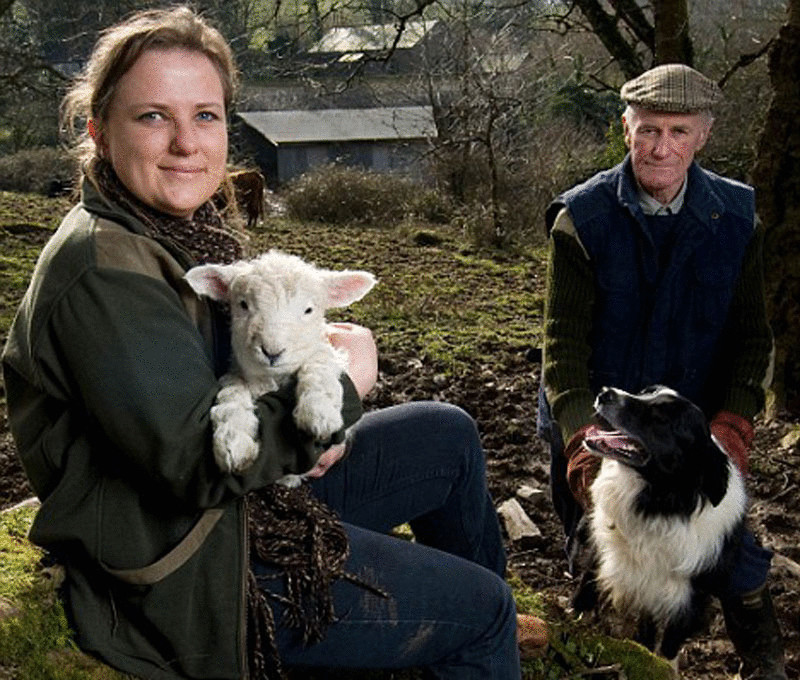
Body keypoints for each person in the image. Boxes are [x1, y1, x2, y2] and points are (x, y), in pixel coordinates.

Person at [0, 7, 547, 679]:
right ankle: (474, 632)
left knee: (448, 435)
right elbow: (197, 465)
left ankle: (450, 634)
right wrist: (344, 385)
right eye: (152, 117)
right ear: (99, 131)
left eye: (205, 116)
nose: (185, 143)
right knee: (486, 608)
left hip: (246, 510)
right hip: (195, 567)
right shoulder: (101, 271)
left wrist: (312, 356)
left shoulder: (164, 235)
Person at [537, 64, 786, 680]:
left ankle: (764, 656)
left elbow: (753, 341)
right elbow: (561, 345)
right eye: (648, 130)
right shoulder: (581, 219)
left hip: (686, 428)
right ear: (626, 129)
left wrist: (731, 426)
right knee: (598, 544)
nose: (661, 148)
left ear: (702, 136)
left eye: (678, 131)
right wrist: (577, 436)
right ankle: (590, 645)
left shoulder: (739, 219)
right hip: (601, 413)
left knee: (732, 553)